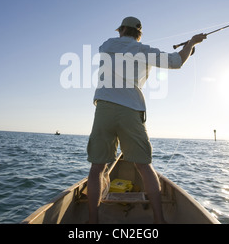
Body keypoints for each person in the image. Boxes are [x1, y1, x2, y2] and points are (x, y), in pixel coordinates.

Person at [86, 16, 206, 223]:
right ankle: (159, 221)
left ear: (121, 30)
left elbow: (123, 48)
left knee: (97, 168)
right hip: (131, 109)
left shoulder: (105, 46)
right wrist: (191, 44)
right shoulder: (144, 51)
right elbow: (177, 62)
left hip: (104, 108)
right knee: (144, 166)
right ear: (139, 33)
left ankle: (93, 222)